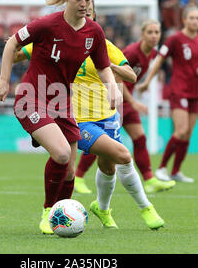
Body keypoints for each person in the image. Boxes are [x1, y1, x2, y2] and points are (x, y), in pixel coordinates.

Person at [15, 1, 165, 231]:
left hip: (109, 118)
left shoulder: (103, 45)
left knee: (108, 167)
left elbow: (130, 75)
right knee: (123, 155)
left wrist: (107, 65)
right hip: (78, 118)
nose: (86, 15)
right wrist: (11, 56)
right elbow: (21, 52)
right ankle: (146, 207)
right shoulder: (60, 41)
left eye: (90, 12)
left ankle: (102, 209)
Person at [0, 0, 122, 234]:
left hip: (62, 102)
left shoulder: (94, 32)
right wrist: (4, 80)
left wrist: (112, 87)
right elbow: (11, 44)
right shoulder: (47, 25)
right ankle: (48, 212)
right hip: (31, 96)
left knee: (70, 171)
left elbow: (103, 65)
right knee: (62, 153)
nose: (85, 4)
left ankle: (60, 215)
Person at [75, 20, 176, 195]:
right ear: (142, 35)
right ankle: (78, 177)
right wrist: (134, 101)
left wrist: (145, 85)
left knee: (139, 138)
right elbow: (117, 80)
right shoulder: (131, 52)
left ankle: (150, 179)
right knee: (101, 142)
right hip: (115, 100)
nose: (154, 36)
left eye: (157, 32)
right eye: (150, 32)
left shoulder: (151, 53)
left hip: (126, 102)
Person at [138, 4, 198, 183]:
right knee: (181, 130)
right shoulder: (175, 39)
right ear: (184, 20)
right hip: (179, 89)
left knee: (187, 134)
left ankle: (176, 171)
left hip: (195, 91)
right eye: (192, 18)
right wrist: (147, 81)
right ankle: (162, 168)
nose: (195, 21)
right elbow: (159, 60)